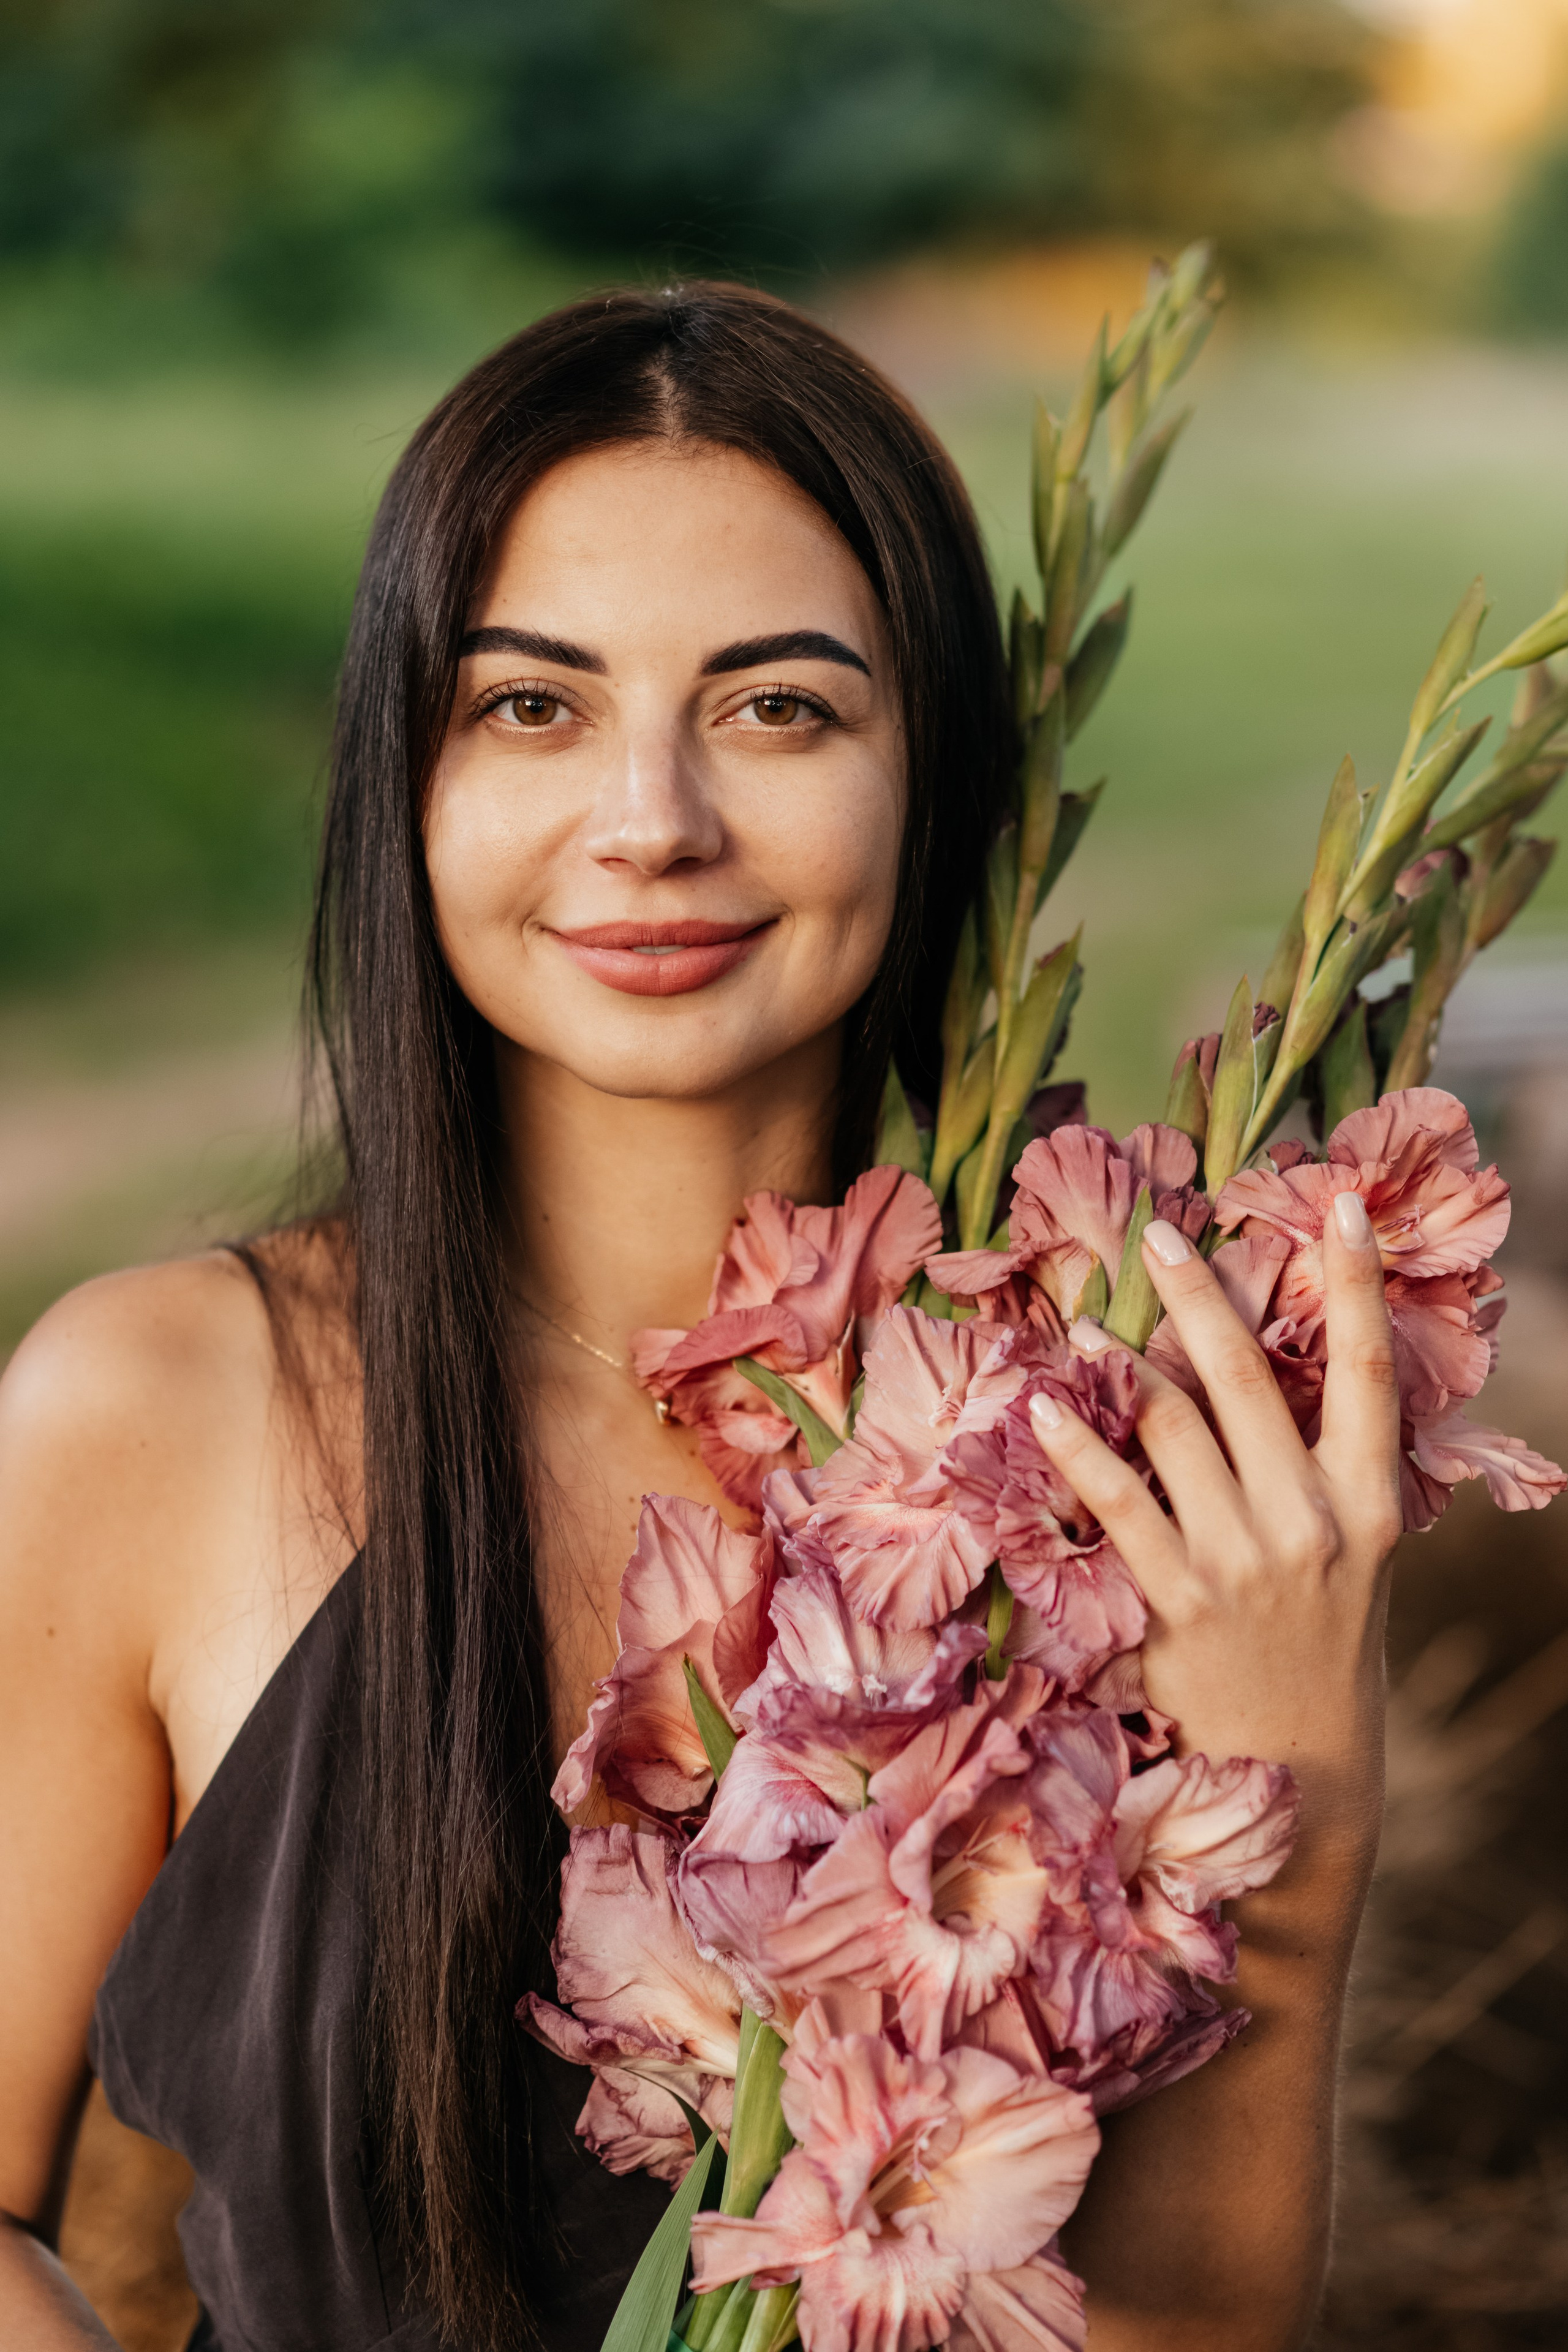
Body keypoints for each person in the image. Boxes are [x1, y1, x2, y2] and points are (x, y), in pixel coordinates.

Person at [0, 283, 1404, 2352]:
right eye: (532, 708)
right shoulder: (153, 1407)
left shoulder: (1109, 1446)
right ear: (408, 777)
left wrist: (1303, 1813)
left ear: (937, 777)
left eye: (779, 709)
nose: (651, 820)